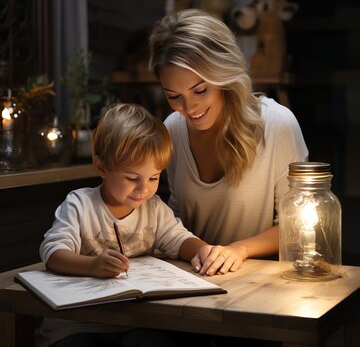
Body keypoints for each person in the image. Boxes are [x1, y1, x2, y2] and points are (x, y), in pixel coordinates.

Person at [38, 103, 229, 347]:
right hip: (76, 323)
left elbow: (179, 239)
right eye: (132, 178)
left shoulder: (154, 208)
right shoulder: (80, 204)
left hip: (136, 321)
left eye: (154, 177)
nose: (144, 189)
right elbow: (53, 253)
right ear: (101, 166)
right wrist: (93, 265)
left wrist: (205, 250)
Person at [148, 8, 308, 291]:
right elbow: (176, 215)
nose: (189, 108)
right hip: (192, 279)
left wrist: (239, 249)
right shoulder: (172, 128)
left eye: (200, 90)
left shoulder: (277, 125)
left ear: (225, 76)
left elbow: (297, 226)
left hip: (261, 285)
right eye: (174, 96)